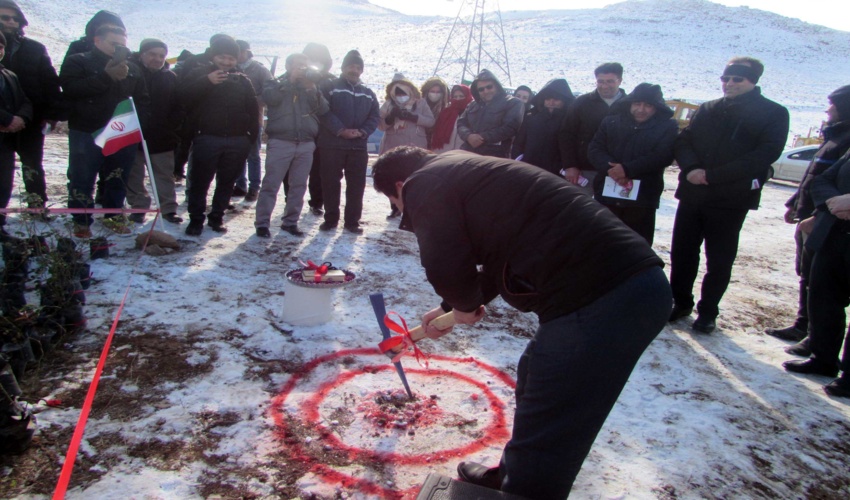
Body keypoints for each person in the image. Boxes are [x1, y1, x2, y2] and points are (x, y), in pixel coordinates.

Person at [371, 146, 671, 499]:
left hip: (606, 296)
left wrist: (464, 303)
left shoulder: (424, 183)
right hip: (617, 288)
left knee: (553, 426)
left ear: (400, 184)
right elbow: (502, 250)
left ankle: (524, 490)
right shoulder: (462, 170)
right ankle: (510, 478)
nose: (403, 211)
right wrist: (450, 306)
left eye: (397, 203)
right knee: (535, 379)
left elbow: (445, 260)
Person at [669, 57, 789, 333]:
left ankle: (708, 311)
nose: (729, 84)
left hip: (730, 199)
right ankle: (680, 301)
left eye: (737, 79)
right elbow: (684, 141)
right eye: (726, 78)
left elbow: (764, 154)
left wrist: (713, 176)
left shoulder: (773, 113)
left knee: (719, 258)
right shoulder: (709, 108)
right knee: (683, 252)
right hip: (693, 193)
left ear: (752, 81)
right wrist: (692, 168)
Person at [767, 85, 850, 354]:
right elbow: (818, 177)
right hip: (814, 214)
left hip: (828, 221)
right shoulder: (835, 136)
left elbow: (839, 183)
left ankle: (815, 336)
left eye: (833, 104)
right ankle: (805, 324)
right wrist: (795, 202)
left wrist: (818, 214)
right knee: (808, 275)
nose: (828, 109)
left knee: (822, 282)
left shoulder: (845, 138)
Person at [59, 25, 150, 238]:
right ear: (97, 41)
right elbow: (71, 89)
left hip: (121, 131)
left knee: (117, 176)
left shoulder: (133, 68)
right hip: (87, 129)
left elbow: (142, 99)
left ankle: (113, 215)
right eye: (114, 44)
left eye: (122, 45)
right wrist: (106, 76)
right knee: (82, 176)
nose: (119, 48)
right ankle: (81, 219)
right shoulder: (78, 60)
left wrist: (139, 123)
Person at [783, 148, 850, 398]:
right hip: (835, 232)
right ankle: (824, 359)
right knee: (823, 298)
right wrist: (833, 202)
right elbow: (822, 179)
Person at [178, 36, 258, 236]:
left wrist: (249, 138)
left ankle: (217, 217)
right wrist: (207, 81)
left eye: (231, 58)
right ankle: (196, 219)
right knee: (200, 181)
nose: (226, 62)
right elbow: (183, 97)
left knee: (227, 182)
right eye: (222, 57)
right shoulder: (199, 74)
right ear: (213, 56)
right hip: (207, 137)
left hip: (237, 140)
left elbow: (253, 110)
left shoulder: (243, 80)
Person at [587, 83, 678, 245]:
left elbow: (662, 155)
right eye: (637, 104)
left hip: (643, 197)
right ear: (630, 104)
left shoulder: (667, 126)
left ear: (656, 107)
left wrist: (627, 170)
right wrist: (612, 171)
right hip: (608, 191)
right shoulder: (611, 122)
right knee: (601, 241)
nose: (641, 109)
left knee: (636, 244)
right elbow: (595, 149)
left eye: (648, 105)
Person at [254, 53, 328, 238]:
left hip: (306, 143)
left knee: (299, 185)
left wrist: (311, 88)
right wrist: (289, 82)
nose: (302, 69)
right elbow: (269, 98)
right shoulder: (275, 82)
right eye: (298, 66)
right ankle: (262, 223)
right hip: (281, 141)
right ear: (288, 66)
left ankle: (290, 222)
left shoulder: (312, 86)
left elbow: (324, 109)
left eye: (305, 66)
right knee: (271, 184)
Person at [0, 0, 63, 213]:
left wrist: (53, 114)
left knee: (33, 166)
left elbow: (50, 82)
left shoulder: (35, 48)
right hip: (1, 121)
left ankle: (37, 207)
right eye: (5, 17)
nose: (11, 22)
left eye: (15, 18)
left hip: (31, 118)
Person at [316, 49, 379, 234]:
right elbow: (323, 112)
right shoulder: (329, 86)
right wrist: (340, 130)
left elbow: (374, 116)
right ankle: (330, 219)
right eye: (351, 66)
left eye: (358, 67)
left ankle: (352, 222)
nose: (355, 70)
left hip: (358, 146)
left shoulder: (368, 92)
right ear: (343, 68)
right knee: (330, 183)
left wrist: (362, 132)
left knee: (357, 185)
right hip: (332, 145)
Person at [125, 38, 183, 225]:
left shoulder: (170, 77)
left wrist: (173, 128)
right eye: (152, 54)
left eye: (161, 55)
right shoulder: (129, 72)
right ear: (142, 54)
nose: (157, 59)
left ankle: (168, 209)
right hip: (132, 134)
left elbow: (178, 107)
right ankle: (138, 207)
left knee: (163, 175)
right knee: (134, 174)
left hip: (162, 136)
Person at [282, 42, 334, 217]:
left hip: (323, 133)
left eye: (321, 61)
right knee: (291, 170)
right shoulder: (290, 77)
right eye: (312, 60)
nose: (316, 64)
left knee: (318, 170)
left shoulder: (331, 80)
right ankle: (289, 201)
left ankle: (317, 202)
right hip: (295, 132)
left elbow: (331, 108)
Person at [559, 62, 625, 192]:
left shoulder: (629, 105)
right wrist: (570, 165)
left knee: (609, 212)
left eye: (610, 81)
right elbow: (566, 134)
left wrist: (627, 169)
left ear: (620, 81)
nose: (605, 86)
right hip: (584, 170)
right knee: (580, 210)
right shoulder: (582, 102)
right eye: (600, 81)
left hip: (616, 172)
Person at [378, 74, 435, 217]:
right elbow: (380, 125)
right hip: (393, 146)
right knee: (393, 177)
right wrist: (390, 118)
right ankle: (395, 206)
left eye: (403, 91)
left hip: (414, 147)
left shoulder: (420, 103)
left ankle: (413, 207)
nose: (400, 95)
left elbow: (430, 121)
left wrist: (413, 117)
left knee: (414, 176)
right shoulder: (388, 105)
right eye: (397, 92)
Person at [232, 40, 272, 202]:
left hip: (254, 119)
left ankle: (254, 187)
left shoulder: (259, 69)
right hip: (233, 119)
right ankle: (240, 185)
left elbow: (270, 91)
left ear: (247, 52)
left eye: (239, 52)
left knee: (253, 155)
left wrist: (253, 101)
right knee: (237, 154)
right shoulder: (231, 69)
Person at [0, 30, 32, 233]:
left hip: (5, 142)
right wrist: (7, 119)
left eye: (1, 46)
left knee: (3, 184)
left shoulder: (9, 74)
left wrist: (21, 118)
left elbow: (25, 101)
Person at [511, 78, 575, 175]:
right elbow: (518, 143)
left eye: (556, 99)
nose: (551, 102)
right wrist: (519, 160)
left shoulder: (570, 121)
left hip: (556, 173)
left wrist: (565, 168)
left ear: (564, 101)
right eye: (548, 99)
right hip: (528, 170)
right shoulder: (531, 118)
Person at [457, 69, 523, 158]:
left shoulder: (513, 103)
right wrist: (468, 136)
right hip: (468, 152)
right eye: (481, 89)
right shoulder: (473, 105)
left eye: (489, 87)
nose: (486, 91)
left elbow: (510, 128)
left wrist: (481, 137)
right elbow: (461, 123)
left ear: (496, 86)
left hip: (495, 155)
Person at [430, 84, 471, 153]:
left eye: (461, 96)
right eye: (455, 97)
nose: (458, 99)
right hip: (442, 151)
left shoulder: (472, 113)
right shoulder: (445, 112)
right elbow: (436, 133)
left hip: (463, 152)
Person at [420, 76, 449, 148]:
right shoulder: (419, 106)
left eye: (438, 92)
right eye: (432, 91)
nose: (435, 94)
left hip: (437, 145)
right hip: (419, 141)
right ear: (426, 92)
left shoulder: (446, 108)